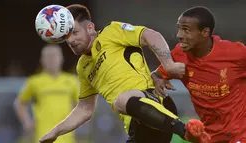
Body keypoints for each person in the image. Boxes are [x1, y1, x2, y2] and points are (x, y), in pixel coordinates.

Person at [39, 4, 210, 143]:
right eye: (67, 36)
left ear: (90, 28)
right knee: (121, 102)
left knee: (119, 100)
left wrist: (168, 64)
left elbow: (150, 35)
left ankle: (185, 130)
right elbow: (84, 109)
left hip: (155, 102)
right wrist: (55, 132)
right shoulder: (83, 66)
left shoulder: (111, 32)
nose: (71, 40)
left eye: (75, 32)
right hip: (137, 126)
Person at [152, 6, 246, 143]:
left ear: (205, 32)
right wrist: (157, 79)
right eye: (179, 28)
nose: (179, 35)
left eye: (186, 30)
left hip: (241, 133)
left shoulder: (235, 53)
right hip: (210, 136)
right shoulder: (178, 55)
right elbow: (156, 74)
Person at [14, 44, 80, 143]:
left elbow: (83, 104)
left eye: (54, 56)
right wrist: (27, 122)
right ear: (42, 60)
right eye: (48, 56)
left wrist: (76, 121)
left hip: (66, 137)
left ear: (61, 58)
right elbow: (19, 103)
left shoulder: (72, 81)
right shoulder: (34, 81)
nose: (51, 59)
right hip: (43, 135)